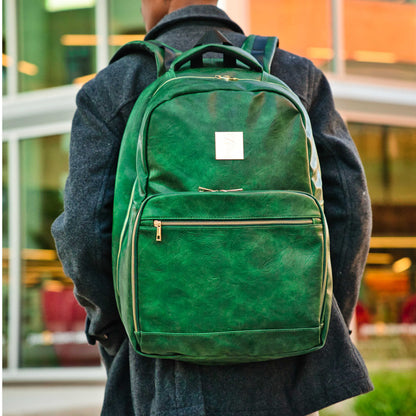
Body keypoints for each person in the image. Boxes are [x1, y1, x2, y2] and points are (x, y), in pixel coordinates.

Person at [51, 1, 374, 415]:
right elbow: (351, 211)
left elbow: (82, 233)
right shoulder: (295, 76)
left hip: (164, 371)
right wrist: (319, 315)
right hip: (283, 365)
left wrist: (116, 330)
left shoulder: (117, 85)